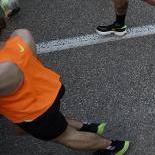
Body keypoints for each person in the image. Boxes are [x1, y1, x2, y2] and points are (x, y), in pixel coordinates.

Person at [0, 26, 130, 153]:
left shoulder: (3, 71)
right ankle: (88, 128)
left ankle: (111, 146)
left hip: (35, 112)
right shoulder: (21, 35)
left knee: (66, 137)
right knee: (27, 127)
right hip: (50, 87)